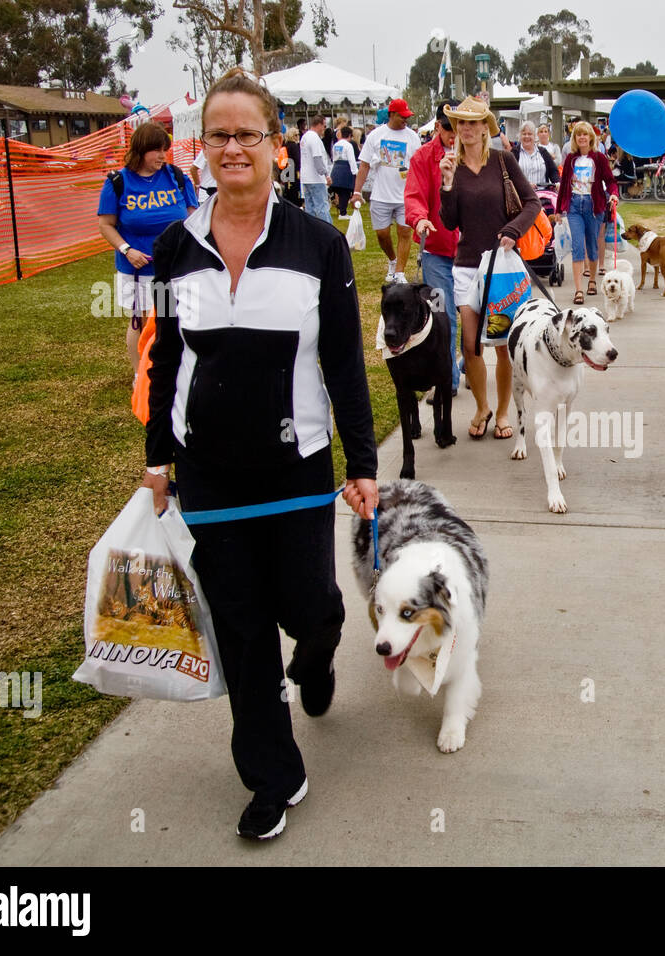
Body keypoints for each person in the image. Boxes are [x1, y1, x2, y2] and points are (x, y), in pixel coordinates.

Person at [141, 67, 379, 841]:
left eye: (249, 134)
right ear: (201, 146)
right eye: (220, 135)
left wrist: (364, 463)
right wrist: (157, 457)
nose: (234, 147)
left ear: (277, 146)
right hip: (209, 476)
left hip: (298, 469)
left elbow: (344, 361)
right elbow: (166, 360)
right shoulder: (177, 248)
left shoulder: (318, 246)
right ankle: (273, 773)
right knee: (241, 629)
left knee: (307, 605)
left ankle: (318, 653)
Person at [438, 95, 542, 440]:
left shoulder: (503, 160)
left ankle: (501, 412)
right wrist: (448, 184)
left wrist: (513, 230)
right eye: (461, 123)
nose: (466, 129)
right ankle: (481, 406)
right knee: (470, 345)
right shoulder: (452, 165)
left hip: (502, 266)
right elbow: (450, 222)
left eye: (473, 123)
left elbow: (532, 203)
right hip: (467, 266)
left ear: (486, 127)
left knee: (502, 345)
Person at [97, 120, 199, 373]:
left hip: (172, 268)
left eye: (165, 149)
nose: (162, 155)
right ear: (141, 150)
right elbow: (106, 224)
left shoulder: (177, 177)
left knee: (169, 320)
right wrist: (126, 250)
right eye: (156, 150)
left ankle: (171, 370)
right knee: (140, 322)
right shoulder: (118, 182)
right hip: (137, 270)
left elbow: (193, 216)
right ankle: (139, 373)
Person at [405, 99, 464, 397]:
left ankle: (466, 361)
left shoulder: (476, 157)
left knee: (477, 317)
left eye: (462, 126)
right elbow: (413, 195)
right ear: (439, 126)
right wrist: (419, 219)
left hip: (471, 254)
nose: (456, 134)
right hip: (436, 254)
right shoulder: (422, 158)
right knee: (444, 317)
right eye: (450, 127)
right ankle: (448, 380)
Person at [354, 98, 420, 284]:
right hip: (381, 195)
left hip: (405, 195)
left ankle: (399, 272)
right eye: (402, 116)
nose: (405, 120)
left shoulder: (412, 137)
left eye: (407, 116)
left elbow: (418, 165)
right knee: (382, 234)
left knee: (404, 232)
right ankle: (392, 260)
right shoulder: (376, 136)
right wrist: (357, 191)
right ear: (391, 115)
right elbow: (365, 165)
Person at [553, 120, 619, 304]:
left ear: (591, 137)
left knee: (592, 245)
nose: (582, 137)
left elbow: (611, 181)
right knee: (577, 246)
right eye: (578, 134)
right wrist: (559, 209)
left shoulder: (599, 158)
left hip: (593, 205)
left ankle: (592, 281)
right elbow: (565, 184)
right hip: (574, 205)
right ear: (575, 138)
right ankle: (578, 290)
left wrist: (613, 195)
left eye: (585, 134)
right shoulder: (570, 159)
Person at [299, 115, 331, 223]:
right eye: (324, 126)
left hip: (306, 178)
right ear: (319, 124)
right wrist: (326, 175)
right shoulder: (315, 138)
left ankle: (310, 231)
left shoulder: (305, 137)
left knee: (310, 208)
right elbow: (317, 158)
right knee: (322, 207)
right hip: (316, 178)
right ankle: (328, 231)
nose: (324, 129)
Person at [512, 120, 560, 189]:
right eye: (524, 134)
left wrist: (557, 182)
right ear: (520, 136)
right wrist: (525, 185)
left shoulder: (543, 152)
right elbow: (511, 176)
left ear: (535, 136)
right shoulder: (514, 153)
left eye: (530, 134)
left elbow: (553, 171)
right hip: (522, 196)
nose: (527, 136)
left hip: (543, 195)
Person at [330, 126, 358, 217]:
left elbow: (333, 158)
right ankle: (343, 213)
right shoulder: (348, 145)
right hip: (345, 169)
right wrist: (355, 172)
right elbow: (351, 160)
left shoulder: (336, 145)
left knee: (339, 191)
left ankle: (341, 209)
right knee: (345, 192)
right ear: (350, 135)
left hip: (336, 167)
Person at [281, 128, 302, 207]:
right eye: (296, 135)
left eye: (298, 134)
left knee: (288, 190)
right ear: (292, 136)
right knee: (295, 191)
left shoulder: (285, 145)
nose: (298, 137)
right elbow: (298, 160)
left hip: (286, 171)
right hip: (294, 172)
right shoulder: (294, 146)